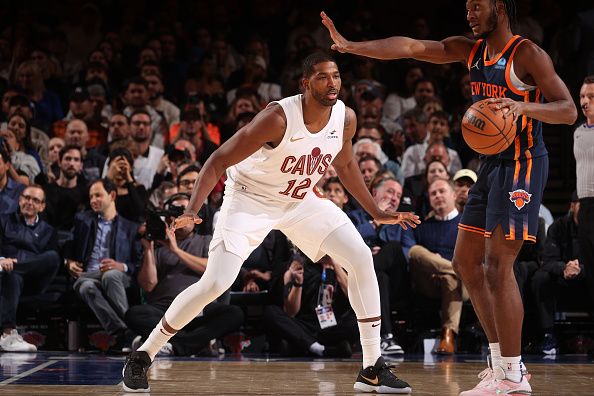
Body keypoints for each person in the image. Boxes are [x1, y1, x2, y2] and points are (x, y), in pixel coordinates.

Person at [123, 52, 419, 394]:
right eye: (323, 77)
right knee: (217, 282)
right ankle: (144, 354)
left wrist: (376, 211)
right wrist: (193, 206)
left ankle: (371, 367)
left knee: (360, 256)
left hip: (299, 199)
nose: (333, 83)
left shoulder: (345, 118)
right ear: (306, 84)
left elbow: (347, 164)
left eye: (336, 75)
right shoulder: (278, 118)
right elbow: (218, 159)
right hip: (250, 198)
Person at [321, 1, 577, 393]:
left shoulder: (527, 54)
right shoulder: (470, 50)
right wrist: (352, 46)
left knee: (498, 264)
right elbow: (410, 47)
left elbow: (568, 110)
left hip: (524, 163)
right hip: (491, 163)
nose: (469, 13)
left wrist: (522, 105)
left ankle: (513, 373)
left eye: (478, 6)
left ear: (501, 9)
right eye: (467, 7)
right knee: (465, 262)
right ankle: (500, 364)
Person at [126, 193, 244, 356]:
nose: (181, 216)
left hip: (200, 307)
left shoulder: (207, 240)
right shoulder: (158, 249)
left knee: (234, 313)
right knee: (135, 313)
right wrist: (148, 248)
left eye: (185, 211)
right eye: (176, 213)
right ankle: (193, 343)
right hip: (165, 309)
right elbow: (149, 284)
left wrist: (176, 250)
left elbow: (212, 269)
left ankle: (171, 344)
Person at [64, 178, 141, 352]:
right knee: (86, 287)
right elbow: (68, 245)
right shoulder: (82, 220)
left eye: (98, 195)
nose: (93, 200)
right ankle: (126, 333)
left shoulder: (130, 228)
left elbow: (137, 263)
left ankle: (127, 330)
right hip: (89, 275)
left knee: (110, 275)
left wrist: (122, 266)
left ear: (112, 195)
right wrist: (68, 262)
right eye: (91, 196)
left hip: (118, 276)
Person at [0, 185, 60, 351]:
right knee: (12, 276)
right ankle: (8, 335)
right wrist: (2, 260)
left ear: (42, 206)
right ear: (19, 200)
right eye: (26, 198)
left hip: (34, 282)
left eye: (35, 200)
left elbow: (48, 264)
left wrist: (15, 265)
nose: (30, 202)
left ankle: (15, 267)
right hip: (7, 279)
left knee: (53, 257)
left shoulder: (49, 231)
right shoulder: (4, 221)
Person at [408, 179, 465, 355]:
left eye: (442, 191)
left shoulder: (467, 224)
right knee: (415, 251)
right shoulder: (422, 227)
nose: (438, 196)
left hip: (463, 285)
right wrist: (435, 263)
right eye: (433, 193)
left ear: (454, 195)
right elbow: (418, 260)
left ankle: (448, 336)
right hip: (430, 281)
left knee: (450, 278)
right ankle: (457, 270)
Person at [574, 75, 594, 309]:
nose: (585, 101)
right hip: (586, 206)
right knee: (590, 270)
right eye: (582, 96)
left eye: (591, 96)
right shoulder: (577, 132)